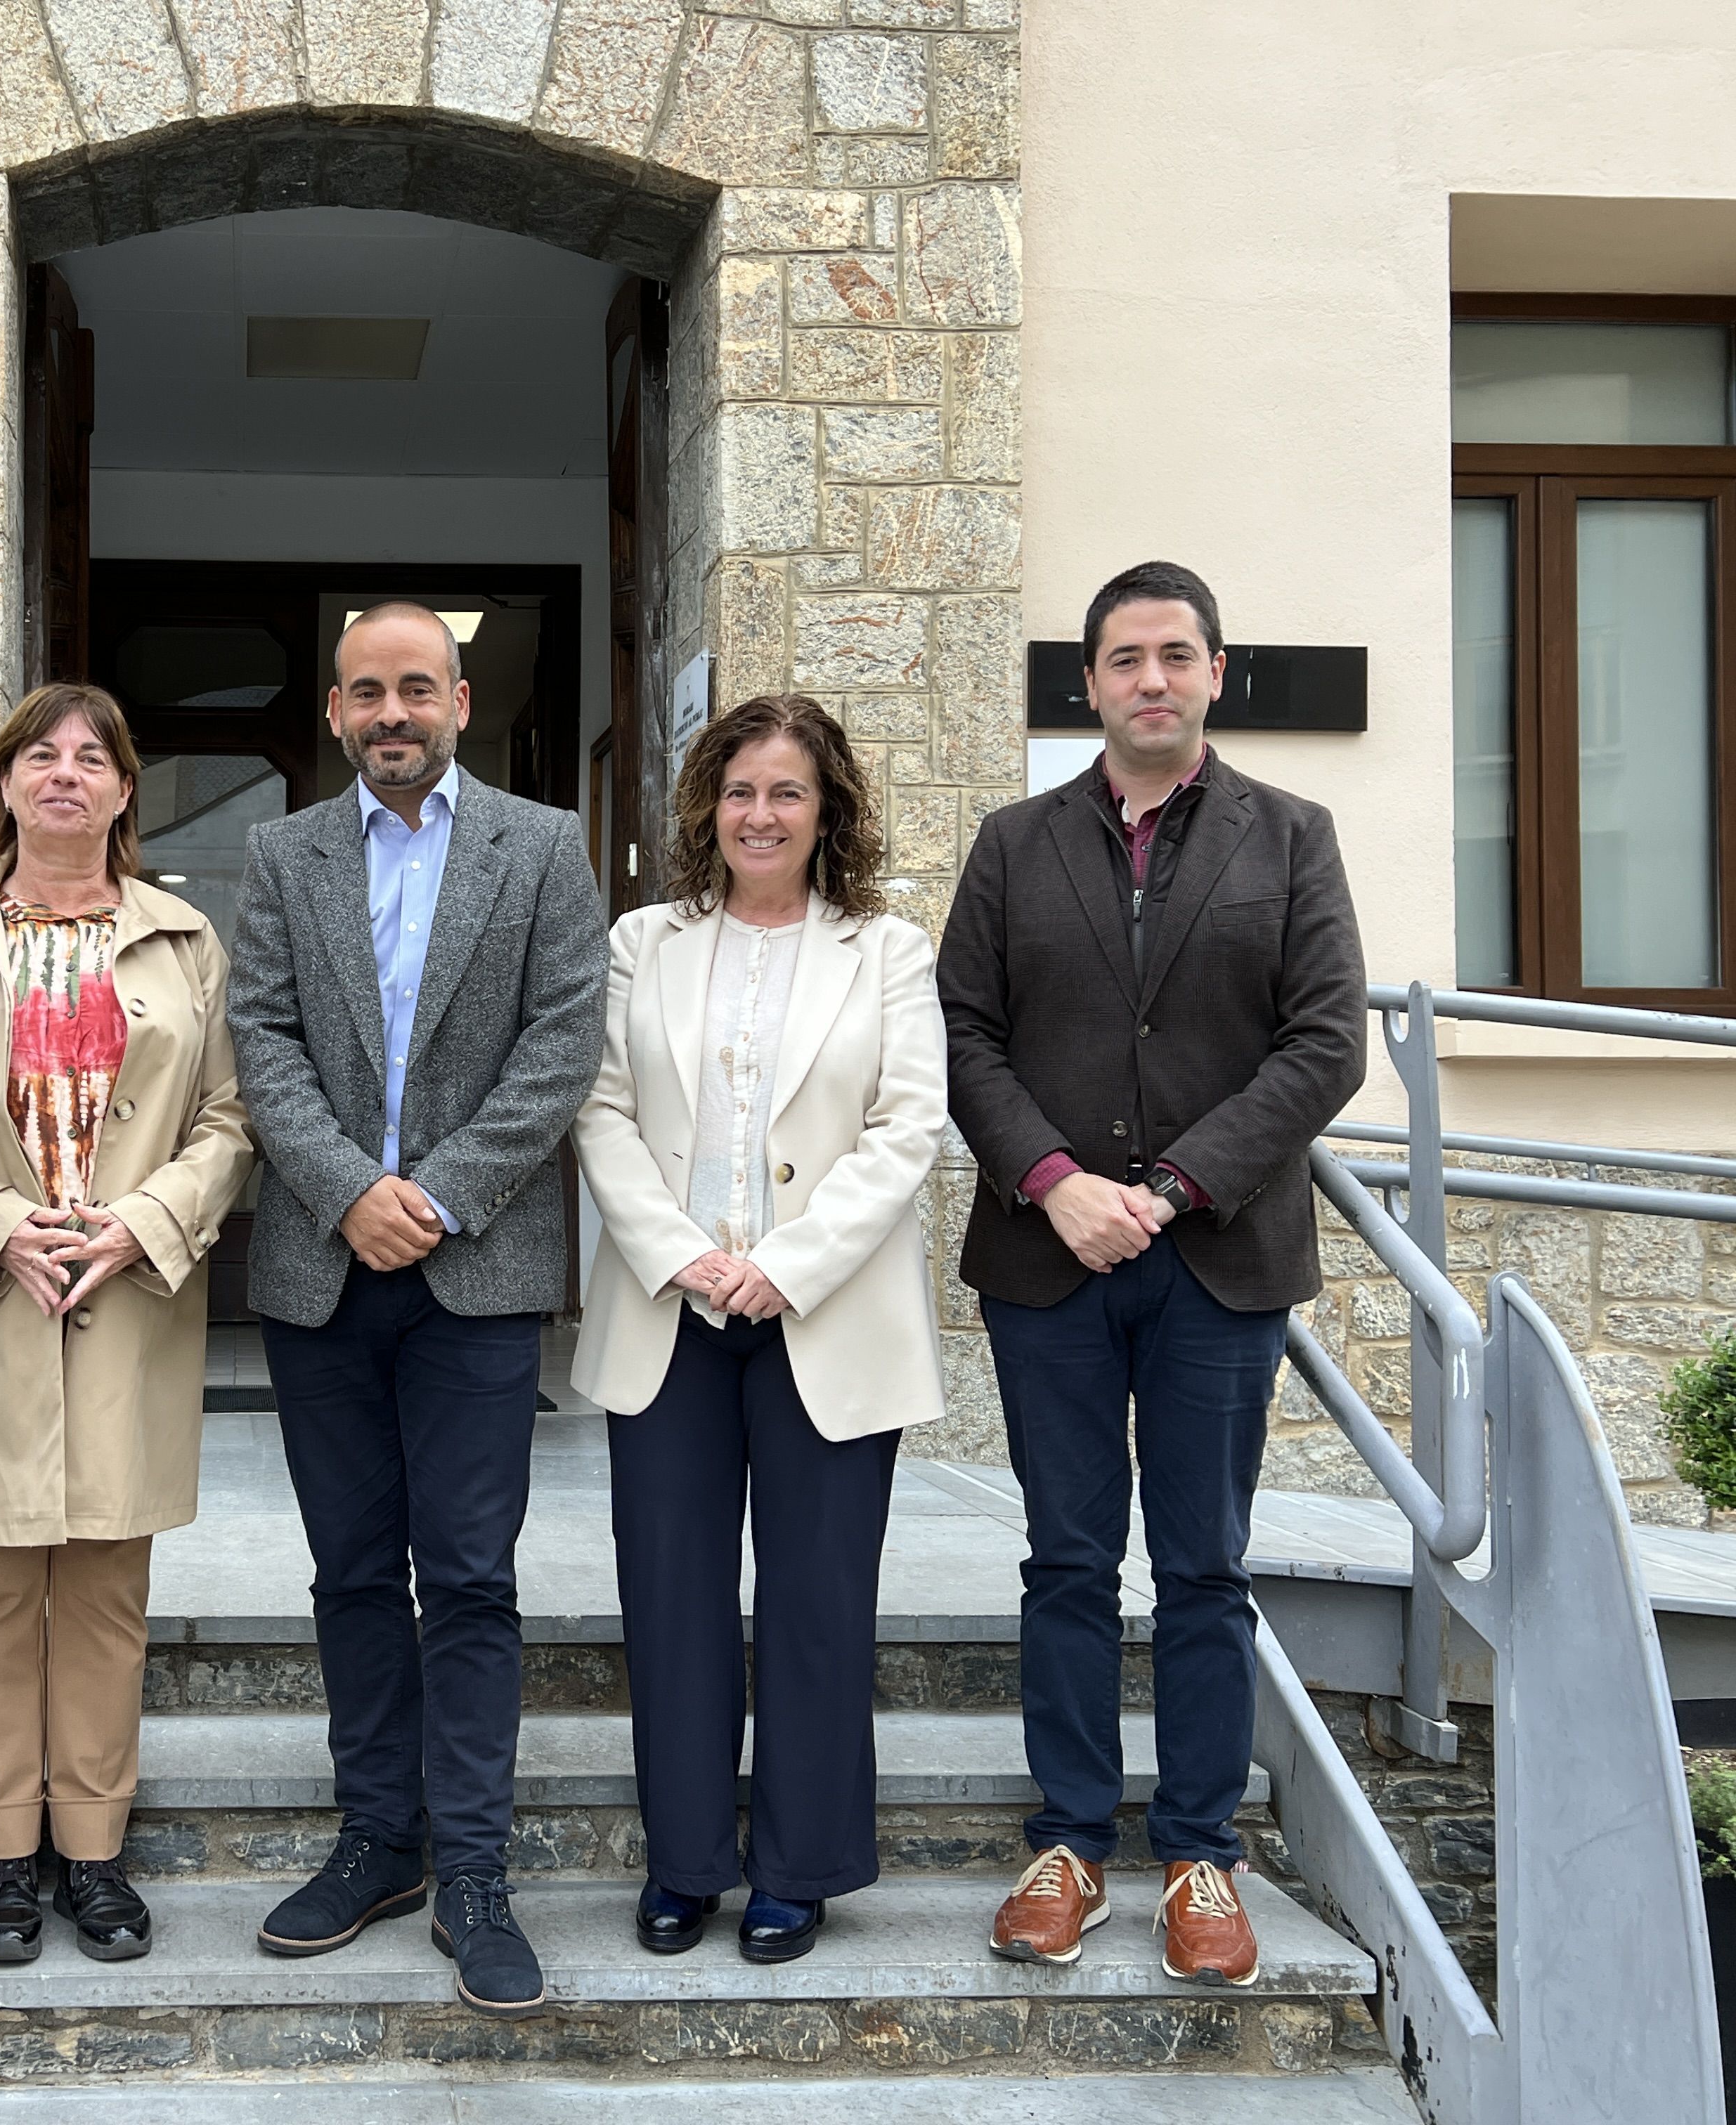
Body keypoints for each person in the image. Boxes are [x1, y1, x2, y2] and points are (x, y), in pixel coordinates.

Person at [936, 560, 1365, 1988]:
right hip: (1047, 1258)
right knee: (1066, 1559)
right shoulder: (1012, 843)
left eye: (1177, 655)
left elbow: (1324, 1045)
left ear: (1216, 674)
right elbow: (964, 1035)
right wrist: (1058, 1183)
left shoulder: (1292, 837)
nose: (1152, 680)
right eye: (1126, 659)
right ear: (1091, 682)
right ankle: (1067, 1842)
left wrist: (1172, 1189)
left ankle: (1198, 1852)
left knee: (1201, 1565)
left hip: (1220, 1258)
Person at [225, 600, 606, 2020]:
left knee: (469, 1576)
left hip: (477, 1270)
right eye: (367, 691)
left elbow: (564, 1042)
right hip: (325, 1271)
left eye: (417, 688)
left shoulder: (544, 847)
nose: (393, 712)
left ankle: (477, 1873)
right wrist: (344, 1190)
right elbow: (256, 1036)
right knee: (346, 1573)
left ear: (461, 699)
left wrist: (434, 1194)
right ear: (334, 711)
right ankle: (379, 1840)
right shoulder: (281, 852)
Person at [571, 694, 947, 1963]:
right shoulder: (643, 943)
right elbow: (599, 1111)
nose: (761, 814)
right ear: (706, 808)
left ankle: (799, 1866)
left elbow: (908, 1128)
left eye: (787, 792)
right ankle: (686, 1863)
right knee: (670, 1599)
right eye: (740, 792)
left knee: (818, 1602)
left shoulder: (886, 950)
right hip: (668, 1315)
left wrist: (785, 1266)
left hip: (825, 1317)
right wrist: (683, 1257)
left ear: (827, 808)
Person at [0, 683, 253, 1965]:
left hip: (128, 1293)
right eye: (40, 754)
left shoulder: (185, 944)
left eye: (93, 756)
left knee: (105, 1588)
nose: (65, 774)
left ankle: (91, 1854)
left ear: (123, 791)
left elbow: (230, 1119)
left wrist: (144, 1224)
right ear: (4, 784)